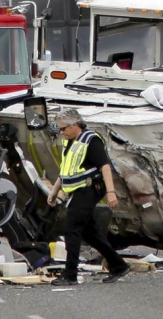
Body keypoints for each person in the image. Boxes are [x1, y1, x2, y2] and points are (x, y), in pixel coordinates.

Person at [47, 108, 130, 285]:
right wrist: (54, 192)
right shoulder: (70, 142)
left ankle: (70, 275)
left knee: (72, 230)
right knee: (90, 233)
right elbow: (65, 171)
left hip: (89, 189)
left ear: (75, 125)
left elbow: (105, 166)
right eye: (60, 129)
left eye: (64, 128)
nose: (61, 132)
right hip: (77, 191)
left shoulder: (91, 140)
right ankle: (118, 265)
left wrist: (111, 193)